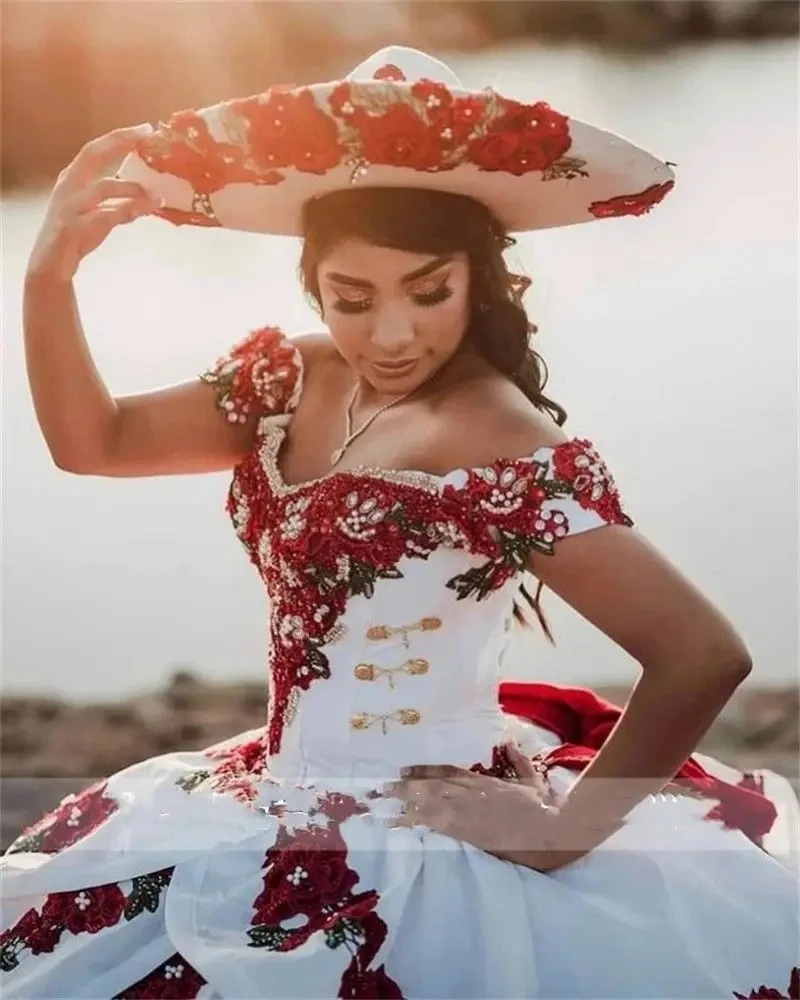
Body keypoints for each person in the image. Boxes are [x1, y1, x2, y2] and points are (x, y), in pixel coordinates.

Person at [2, 45, 797, 1000]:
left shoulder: (496, 436)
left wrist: (559, 834)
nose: (390, 334)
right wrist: (49, 280)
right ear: (312, 285)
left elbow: (702, 654)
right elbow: (95, 441)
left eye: (429, 293)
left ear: (481, 279)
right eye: (351, 298)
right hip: (272, 789)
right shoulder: (289, 380)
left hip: (425, 824)